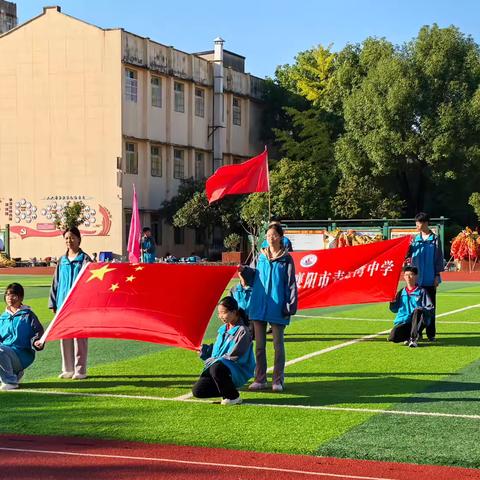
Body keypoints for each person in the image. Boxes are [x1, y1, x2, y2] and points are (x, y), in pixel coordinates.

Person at [241, 223, 298, 392]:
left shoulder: (286, 259)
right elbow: (253, 276)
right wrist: (243, 270)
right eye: (267, 235)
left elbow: (291, 284)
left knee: (278, 346)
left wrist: (290, 305)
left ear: (280, 237)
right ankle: (260, 379)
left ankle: (278, 380)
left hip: (278, 306)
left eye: (273, 235)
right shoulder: (260, 257)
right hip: (259, 305)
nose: (270, 238)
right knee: (259, 346)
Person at [192, 296, 255, 405]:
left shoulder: (243, 331)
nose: (221, 316)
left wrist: (214, 360)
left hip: (237, 369)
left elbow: (234, 356)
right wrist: (205, 351)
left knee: (216, 367)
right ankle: (229, 390)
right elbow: (216, 352)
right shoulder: (222, 330)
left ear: (234, 312)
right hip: (222, 368)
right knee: (198, 391)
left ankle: (233, 397)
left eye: (223, 313)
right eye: (219, 313)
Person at [49, 227, 92, 379]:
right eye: (67, 238)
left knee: (79, 338)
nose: (69, 241)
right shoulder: (62, 260)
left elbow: (91, 283)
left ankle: (80, 370)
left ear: (79, 239)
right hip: (63, 304)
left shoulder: (85, 260)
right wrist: (53, 302)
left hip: (80, 305)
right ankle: (67, 368)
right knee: (65, 336)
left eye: (72, 237)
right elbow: (56, 282)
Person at [407, 212, 444, 341]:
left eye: (419, 222)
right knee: (416, 308)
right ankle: (417, 332)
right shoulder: (413, 240)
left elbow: (439, 259)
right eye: (416, 222)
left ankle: (431, 334)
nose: (417, 225)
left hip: (429, 279)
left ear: (426, 223)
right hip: (416, 280)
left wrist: (437, 276)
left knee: (430, 308)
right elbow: (407, 255)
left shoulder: (435, 239)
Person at [0, 283, 44, 390]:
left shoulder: (28, 315)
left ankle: (10, 381)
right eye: (8, 295)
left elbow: (38, 331)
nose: (10, 298)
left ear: (21, 297)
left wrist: (36, 341)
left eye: (14, 295)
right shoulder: (3, 317)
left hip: (22, 354)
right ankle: (16, 374)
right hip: (5, 353)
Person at [388, 266, 434, 347]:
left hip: (419, 320)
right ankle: (408, 336)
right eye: (406, 275)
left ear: (416, 276)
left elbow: (430, 308)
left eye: (411, 274)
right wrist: (392, 303)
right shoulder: (401, 292)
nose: (408, 277)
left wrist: (422, 309)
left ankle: (413, 339)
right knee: (393, 337)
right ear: (404, 277)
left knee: (417, 311)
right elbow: (394, 310)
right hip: (405, 321)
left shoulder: (421, 291)